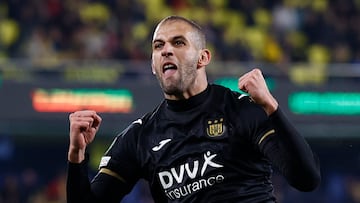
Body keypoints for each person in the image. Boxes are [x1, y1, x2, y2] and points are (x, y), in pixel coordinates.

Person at [66, 15, 321, 203]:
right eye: (158, 46)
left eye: (178, 43)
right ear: (154, 65)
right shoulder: (138, 138)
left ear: (203, 58)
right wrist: (77, 154)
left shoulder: (240, 109)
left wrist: (272, 107)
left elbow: (306, 179)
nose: (166, 50)